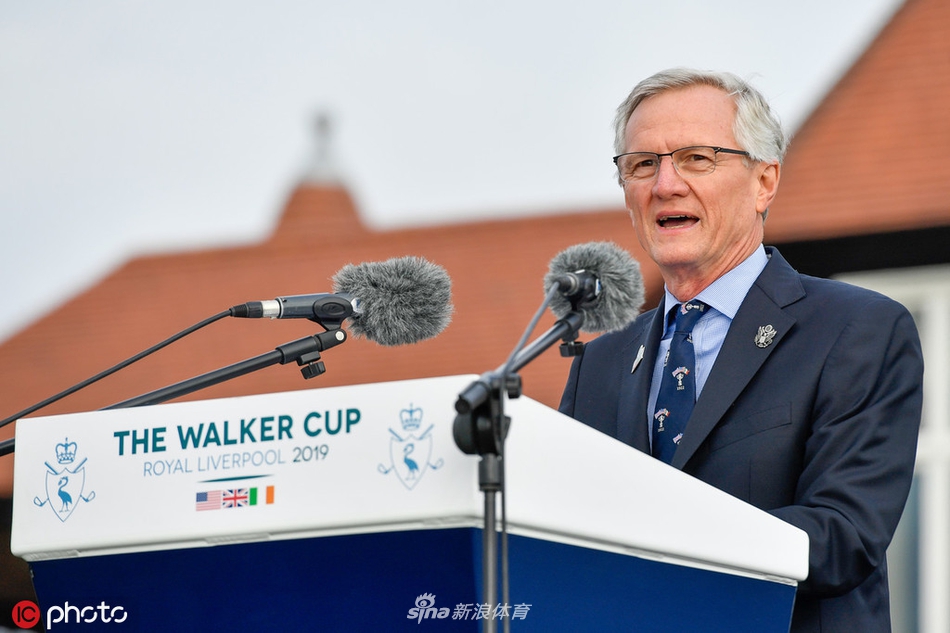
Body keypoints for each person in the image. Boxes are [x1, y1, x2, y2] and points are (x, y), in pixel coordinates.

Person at [558, 68, 924, 633]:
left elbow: (841, 535)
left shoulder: (858, 330)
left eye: (697, 159)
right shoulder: (597, 366)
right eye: (642, 164)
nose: (665, 184)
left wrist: (661, 547)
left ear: (765, 182)